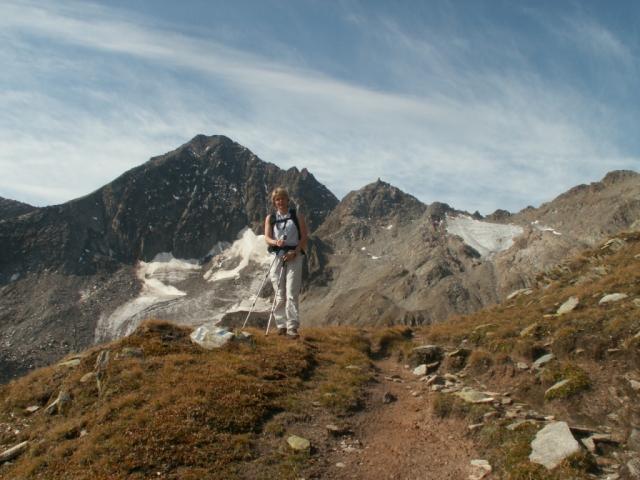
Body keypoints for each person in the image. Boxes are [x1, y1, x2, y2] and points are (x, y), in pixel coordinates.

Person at [264, 187, 308, 339]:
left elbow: (304, 237)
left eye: (283, 198)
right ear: (274, 202)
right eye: (277, 199)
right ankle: (281, 325)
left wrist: (294, 252)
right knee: (279, 294)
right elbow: (267, 238)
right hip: (278, 255)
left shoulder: (297, 215)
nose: (280, 201)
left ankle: (292, 328)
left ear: (287, 200)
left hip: (294, 256)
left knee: (291, 292)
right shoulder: (271, 218)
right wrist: (276, 242)